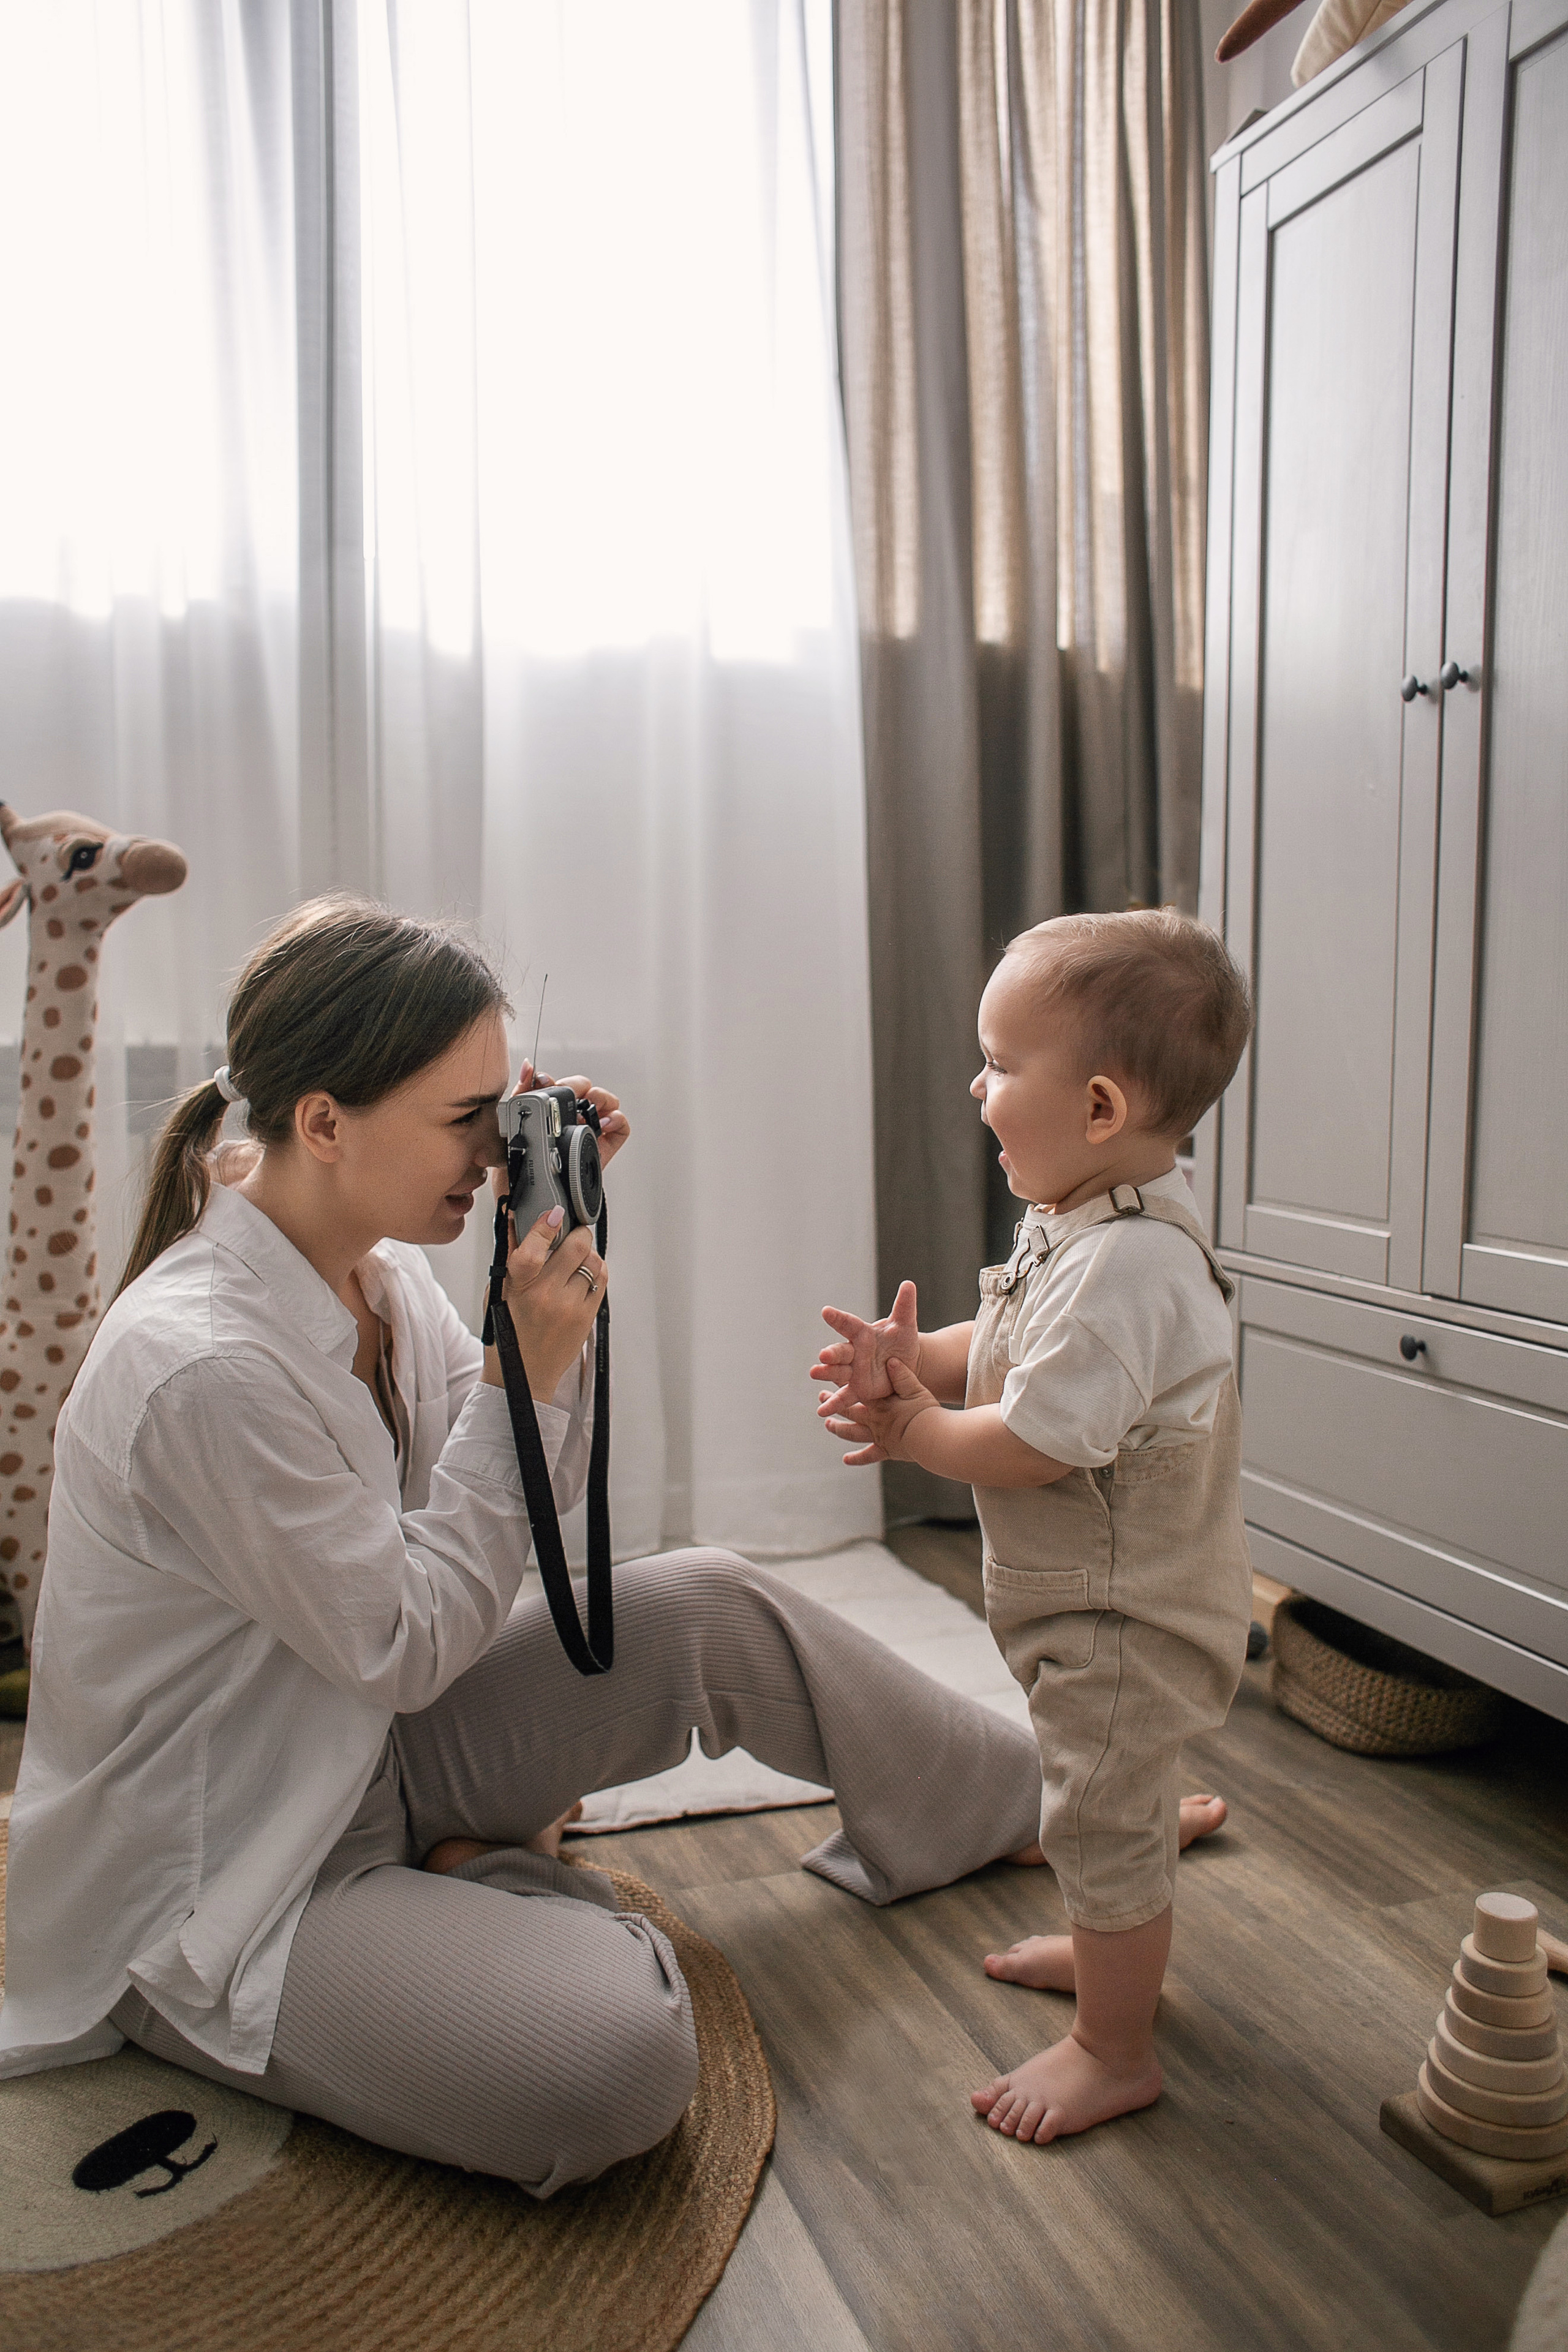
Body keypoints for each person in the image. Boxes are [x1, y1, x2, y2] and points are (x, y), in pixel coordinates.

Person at [0, 895, 1047, 2196]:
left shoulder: (372, 1277)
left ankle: (1032, 1800)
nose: (495, 1152)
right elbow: (409, 1640)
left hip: (363, 1745)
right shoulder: (202, 1364)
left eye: (508, 1116)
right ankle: (487, 1885)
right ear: (323, 1123)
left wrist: (547, 1287)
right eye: (466, 1119)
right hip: (233, 1875)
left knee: (713, 1601)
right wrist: (523, 1374)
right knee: (609, 2062)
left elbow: (523, 1503)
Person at [813, 908, 1254, 2147]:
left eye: (1001, 1064)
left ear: (1100, 1109)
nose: (976, 1083)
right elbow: (1013, 1353)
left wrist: (909, 1432)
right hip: (1083, 1598)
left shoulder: (1132, 1270)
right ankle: (1116, 1916)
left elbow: (1033, 1436)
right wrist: (923, 1358)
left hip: (1127, 1616)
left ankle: (1113, 2047)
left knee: (1097, 1816)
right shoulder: (1077, 1220)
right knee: (1095, 1796)